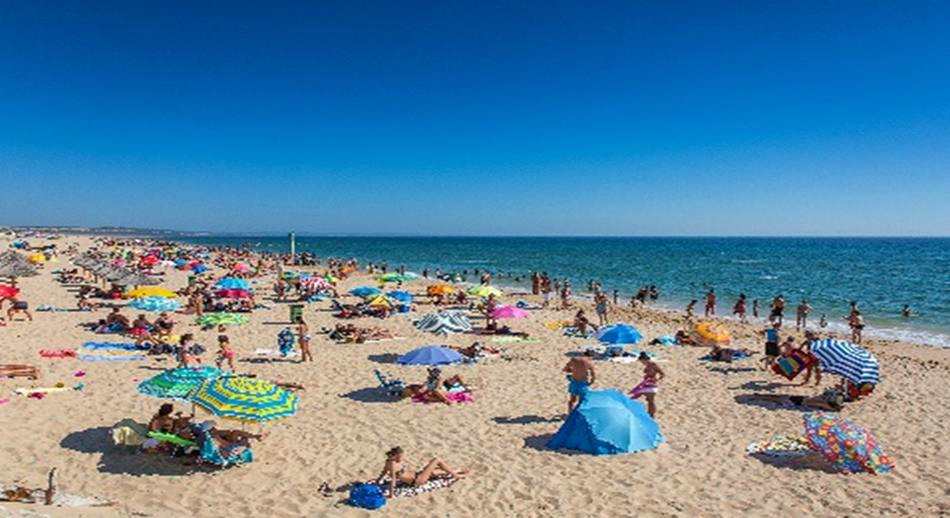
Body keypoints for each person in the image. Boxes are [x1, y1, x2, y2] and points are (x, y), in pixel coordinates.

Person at [377, 447, 469, 498]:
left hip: (418, 475)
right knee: (436, 460)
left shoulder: (388, 461)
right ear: (395, 456)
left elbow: (383, 472)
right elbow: (393, 480)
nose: (402, 458)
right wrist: (391, 494)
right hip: (417, 480)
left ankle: (457, 471)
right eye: (400, 456)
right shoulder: (393, 465)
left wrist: (378, 481)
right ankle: (456, 475)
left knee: (435, 470)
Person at [629, 352, 665, 417]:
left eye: (642, 362)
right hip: (646, 384)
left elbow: (662, 374)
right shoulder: (647, 365)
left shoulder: (654, 365)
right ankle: (649, 413)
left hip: (652, 385)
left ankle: (652, 414)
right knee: (643, 398)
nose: (642, 363)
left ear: (645, 360)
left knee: (651, 400)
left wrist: (657, 379)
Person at [562, 351, 595, 415]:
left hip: (574, 381)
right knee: (582, 401)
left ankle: (570, 413)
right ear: (590, 357)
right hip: (582, 383)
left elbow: (565, 369)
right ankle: (578, 414)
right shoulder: (590, 363)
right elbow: (593, 375)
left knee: (572, 400)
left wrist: (573, 371)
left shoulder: (574, 359)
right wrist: (591, 382)